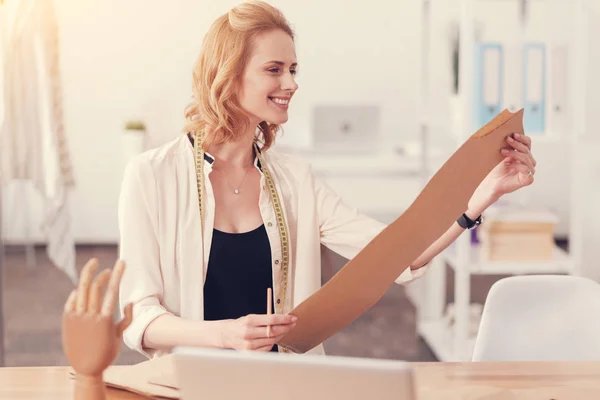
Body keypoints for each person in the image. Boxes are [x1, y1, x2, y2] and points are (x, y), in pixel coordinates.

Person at [118, 0, 536, 359]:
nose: (292, 83)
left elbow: (395, 253)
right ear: (228, 75)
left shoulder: (294, 178)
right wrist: (224, 335)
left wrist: (483, 196)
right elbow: (139, 316)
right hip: (190, 384)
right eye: (274, 69)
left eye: (294, 69)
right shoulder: (151, 177)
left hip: (284, 384)